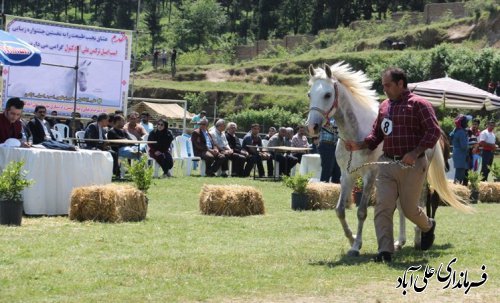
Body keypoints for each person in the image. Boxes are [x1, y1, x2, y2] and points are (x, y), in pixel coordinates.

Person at [345, 67, 440, 262]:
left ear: (400, 84)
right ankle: (385, 251)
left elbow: (433, 132)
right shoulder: (384, 107)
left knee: (408, 208)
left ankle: (428, 226)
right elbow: (375, 136)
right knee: (383, 206)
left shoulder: (420, 104)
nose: (385, 89)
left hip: (413, 165)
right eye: (383, 85)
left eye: (388, 85)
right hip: (387, 163)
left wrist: (414, 153)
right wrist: (358, 145)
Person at [85, 113, 119, 177]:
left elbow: (104, 139)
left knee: (114, 153)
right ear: (103, 120)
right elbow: (89, 139)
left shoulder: (103, 129)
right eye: (107, 120)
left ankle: (115, 173)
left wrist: (106, 143)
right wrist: (101, 144)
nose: (108, 122)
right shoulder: (92, 126)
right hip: (93, 146)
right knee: (109, 153)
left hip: (101, 147)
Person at [318, 118, 341, 183]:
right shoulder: (325, 116)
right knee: (327, 169)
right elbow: (335, 125)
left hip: (337, 146)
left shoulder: (337, 115)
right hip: (326, 145)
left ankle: (335, 190)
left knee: (337, 171)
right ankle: (322, 190)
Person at [451, 115, 469, 185]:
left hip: (457, 153)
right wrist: (472, 145)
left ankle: (456, 187)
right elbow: (464, 146)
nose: (467, 124)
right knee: (460, 174)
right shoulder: (461, 132)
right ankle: (456, 188)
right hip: (461, 154)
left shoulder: (456, 130)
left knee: (459, 172)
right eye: (466, 122)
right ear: (462, 123)